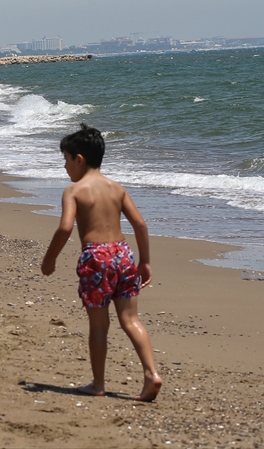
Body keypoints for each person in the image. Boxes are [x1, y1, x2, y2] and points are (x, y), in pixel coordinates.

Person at [40, 124, 163, 402]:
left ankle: (98, 384)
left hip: (96, 258)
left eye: (66, 160)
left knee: (98, 327)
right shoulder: (116, 188)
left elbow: (64, 229)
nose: (65, 166)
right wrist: (145, 262)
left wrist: (49, 259)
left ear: (79, 159)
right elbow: (140, 224)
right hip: (123, 253)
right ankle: (151, 374)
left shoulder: (74, 191)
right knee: (130, 319)